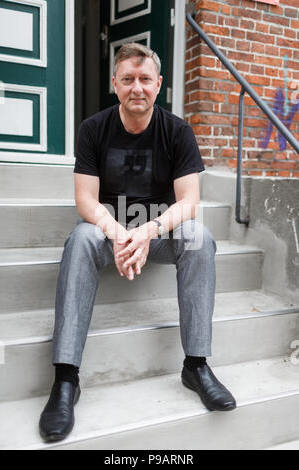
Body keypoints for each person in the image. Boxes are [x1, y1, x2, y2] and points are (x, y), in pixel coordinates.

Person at [39, 43, 236, 443]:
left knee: (200, 238)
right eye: (127, 79)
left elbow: (190, 203)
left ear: (158, 84)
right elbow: (85, 202)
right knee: (79, 239)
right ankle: (66, 379)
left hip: (157, 232)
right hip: (106, 230)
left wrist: (147, 232)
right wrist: (119, 233)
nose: (137, 88)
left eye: (145, 79)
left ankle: (195, 365)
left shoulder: (177, 131)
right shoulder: (93, 129)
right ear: (115, 84)